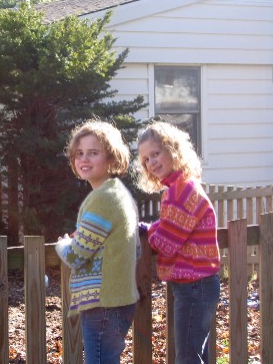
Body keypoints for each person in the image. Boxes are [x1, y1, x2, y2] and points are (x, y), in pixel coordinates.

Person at [55, 119, 140, 364]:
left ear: (111, 158)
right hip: (115, 300)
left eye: (93, 153)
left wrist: (62, 244)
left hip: (103, 304)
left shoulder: (103, 198)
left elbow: (76, 255)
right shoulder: (116, 193)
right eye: (79, 154)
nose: (84, 159)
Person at [135, 121, 220, 364]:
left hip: (195, 285)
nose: (152, 163)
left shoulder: (180, 190)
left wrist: (150, 229)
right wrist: (155, 228)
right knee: (194, 354)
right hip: (197, 284)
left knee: (187, 357)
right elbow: (171, 229)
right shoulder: (180, 186)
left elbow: (166, 244)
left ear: (173, 149)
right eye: (146, 160)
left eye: (156, 153)